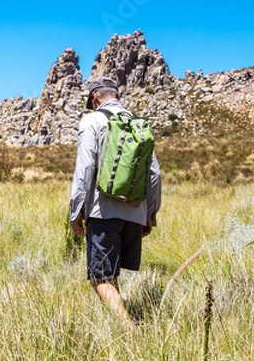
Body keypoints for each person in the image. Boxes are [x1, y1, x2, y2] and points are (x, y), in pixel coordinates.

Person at [69, 76, 162, 324]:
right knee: (111, 276)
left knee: (100, 278)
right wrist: (150, 215)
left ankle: (129, 331)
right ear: (116, 95)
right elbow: (154, 174)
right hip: (135, 212)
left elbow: (85, 167)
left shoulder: (92, 120)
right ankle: (120, 328)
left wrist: (76, 210)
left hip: (103, 212)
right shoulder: (138, 124)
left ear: (95, 97)